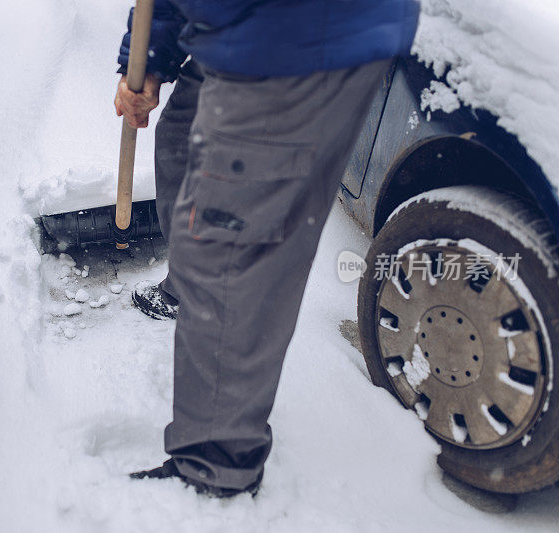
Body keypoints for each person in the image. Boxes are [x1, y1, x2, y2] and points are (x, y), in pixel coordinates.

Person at [115, 0, 420, 498]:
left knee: (228, 253)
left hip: (294, 37)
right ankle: (193, 288)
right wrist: (147, 58)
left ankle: (216, 464)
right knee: (179, 138)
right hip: (250, 25)